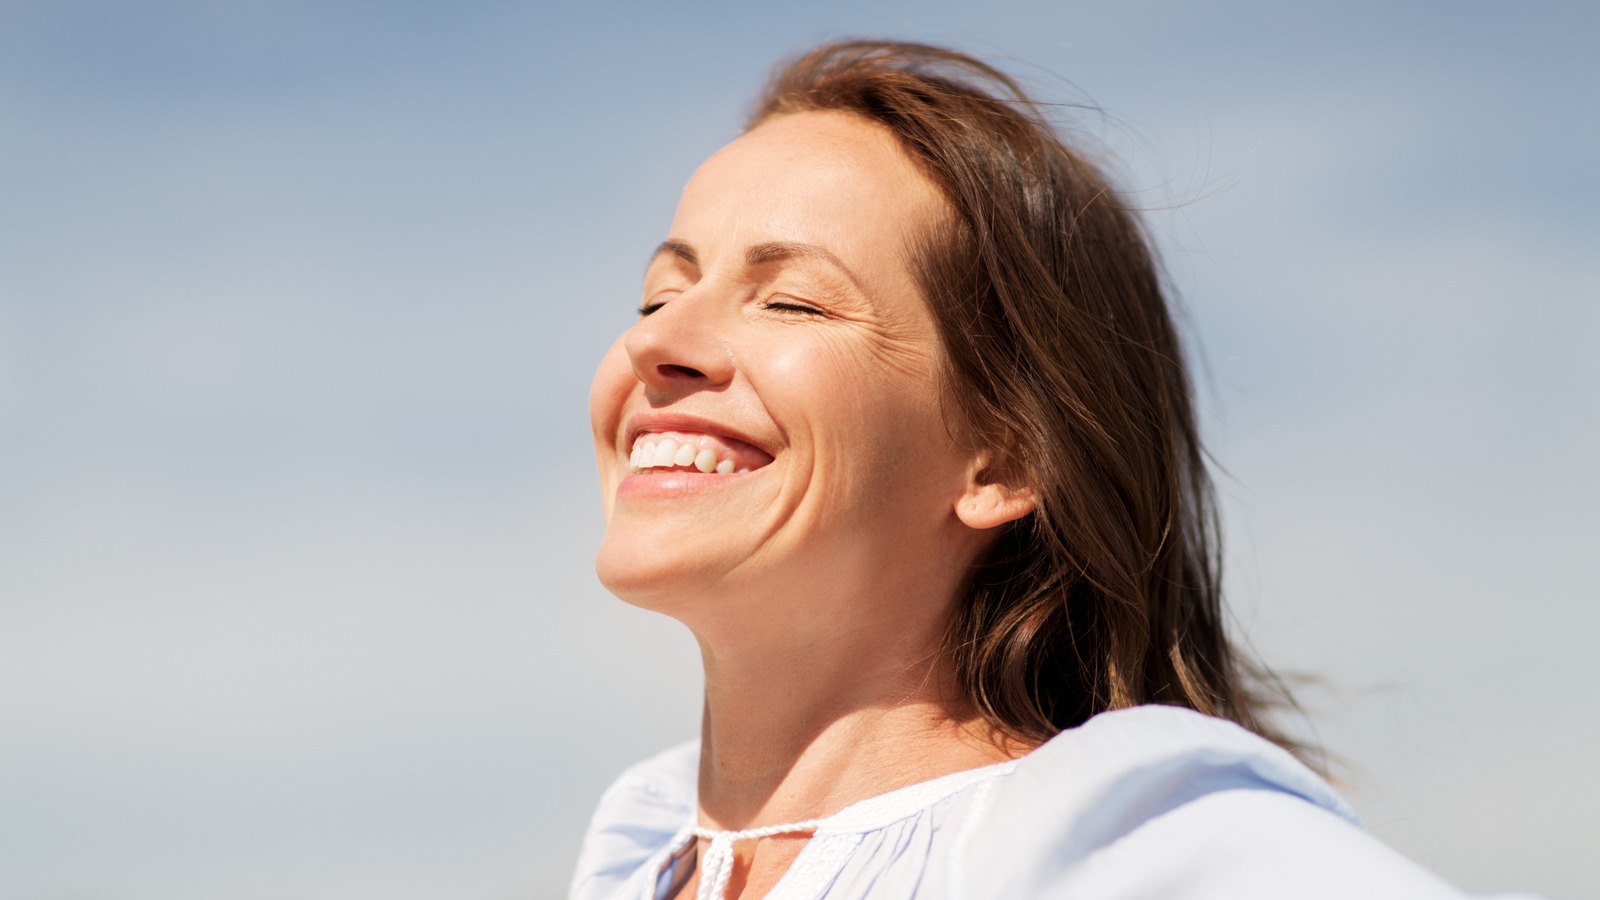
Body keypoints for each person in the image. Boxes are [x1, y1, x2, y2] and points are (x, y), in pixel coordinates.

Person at [572, 40, 1534, 900]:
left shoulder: (1102, 835)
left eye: (793, 303)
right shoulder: (635, 852)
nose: (658, 342)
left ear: (1004, 457)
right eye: (660, 295)